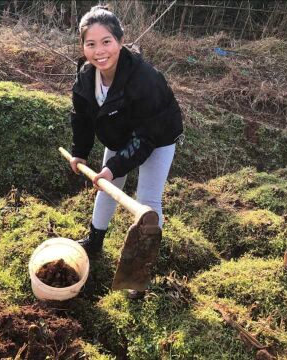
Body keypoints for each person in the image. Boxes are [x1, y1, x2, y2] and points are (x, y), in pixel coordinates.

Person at [69, 5, 183, 262]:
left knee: (147, 198)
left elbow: (146, 136)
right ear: (83, 46)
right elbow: (82, 118)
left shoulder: (145, 79)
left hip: (157, 135)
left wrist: (116, 165)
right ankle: (95, 242)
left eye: (106, 41)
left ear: (120, 41)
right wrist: (80, 153)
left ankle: (142, 263)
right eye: (91, 44)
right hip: (120, 132)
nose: (99, 51)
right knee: (107, 185)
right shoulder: (86, 76)